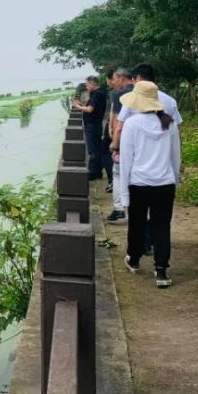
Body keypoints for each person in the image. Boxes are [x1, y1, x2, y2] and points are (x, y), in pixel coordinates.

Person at [119, 80, 181, 288]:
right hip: (165, 184)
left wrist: (123, 194)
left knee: (136, 223)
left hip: (138, 183)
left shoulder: (132, 124)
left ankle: (134, 259)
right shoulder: (169, 123)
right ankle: (161, 271)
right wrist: (175, 181)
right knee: (161, 226)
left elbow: (126, 160)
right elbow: (175, 157)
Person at [106, 68, 134, 222]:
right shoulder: (142, 94)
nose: (114, 82)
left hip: (124, 141)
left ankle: (118, 208)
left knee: (117, 173)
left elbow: (118, 119)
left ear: (123, 78)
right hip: (140, 143)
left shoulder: (120, 95)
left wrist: (114, 142)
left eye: (115, 79)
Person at [72, 75, 108, 182]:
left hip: (92, 125)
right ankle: (98, 172)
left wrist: (78, 107)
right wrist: (81, 104)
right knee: (97, 149)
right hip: (96, 124)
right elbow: (89, 106)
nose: (86, 87)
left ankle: (92, 173)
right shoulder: (98, 94)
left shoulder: (97, 94)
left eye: (87, 84)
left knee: (93, 150)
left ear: (92, 83)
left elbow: (90, 109)